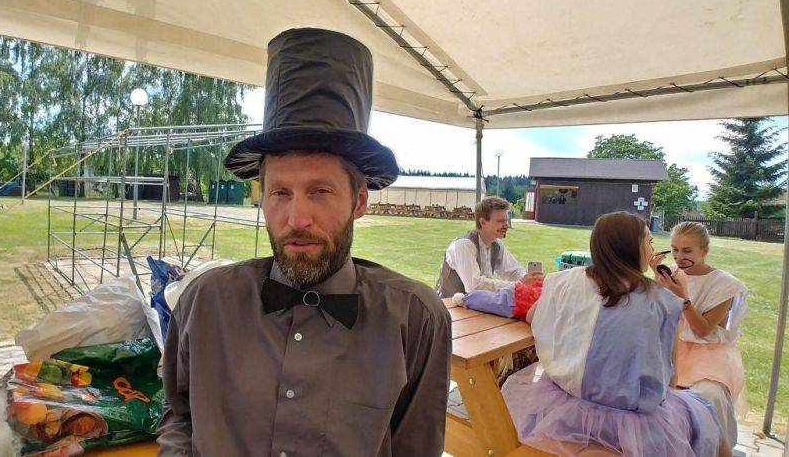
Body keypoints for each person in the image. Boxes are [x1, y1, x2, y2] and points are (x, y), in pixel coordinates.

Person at [157, 28, 452, 456]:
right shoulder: (205, 303)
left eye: (320, 191)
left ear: (359, 201)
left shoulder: (417, 320)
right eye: (280, 192)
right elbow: (179, 413)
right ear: (262, 197)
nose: (297, 218)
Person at [502, 211, 723, 457]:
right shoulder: (662, 301)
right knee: (705, 414)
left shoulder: (563, 281)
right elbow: (667, 377)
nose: (652, 251)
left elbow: (533, 315)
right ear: (632, 247)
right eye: (649, 242)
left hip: (563, 404)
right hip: (630, 422)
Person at [668, 221, 748, 450]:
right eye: (674, 250)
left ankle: (711, 449)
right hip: (674, 345)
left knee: (707, 396)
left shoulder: (725, 285)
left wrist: (683, 299)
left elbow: (702, 330)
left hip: (708, 352)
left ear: (704, 250)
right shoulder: (672, 274)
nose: (679, 257)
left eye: (687, 251)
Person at [434, 196, 541, 298]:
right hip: (448, 306)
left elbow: (513, 271)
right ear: (483, 222)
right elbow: (473, 286)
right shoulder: (464, 245)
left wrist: (530, 279)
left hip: (474, 306)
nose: (506, 225)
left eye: (506, 220)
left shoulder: (496, 244)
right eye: (500, 221)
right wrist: (517, 285)